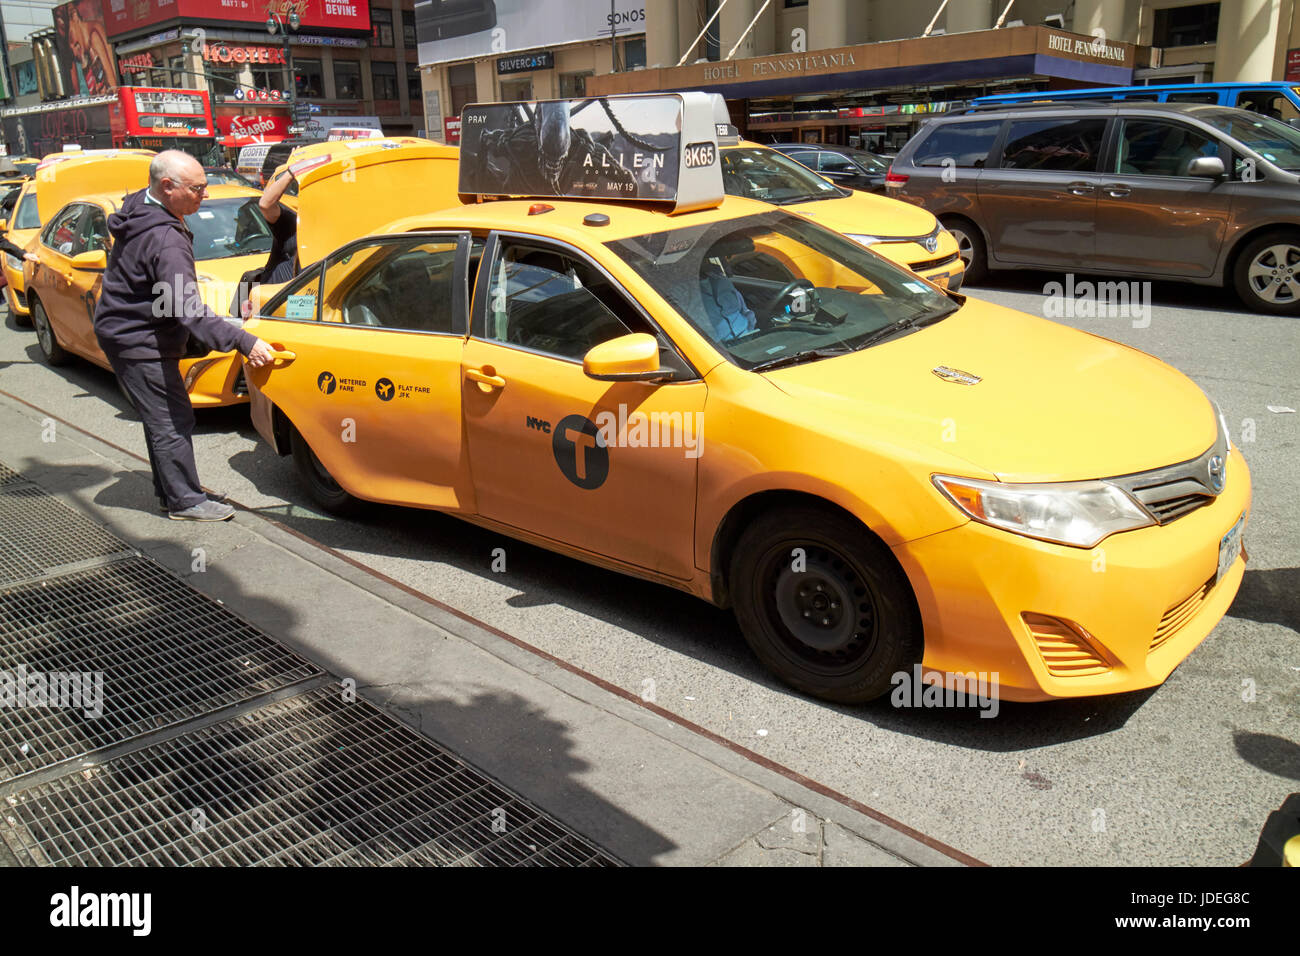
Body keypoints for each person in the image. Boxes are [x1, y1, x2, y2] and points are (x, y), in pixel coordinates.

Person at [94, 150, 275, 521]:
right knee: (171, 419)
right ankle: (185, 501)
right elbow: (187, 310)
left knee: (163, 418)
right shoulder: (165, 239)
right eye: (197, 189)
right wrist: (245, 341)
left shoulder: (143, 207)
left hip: (126, 329)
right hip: (137, 338)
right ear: (166, 187)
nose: (203, 195)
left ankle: (174, 491)